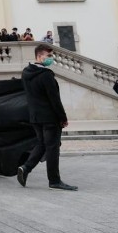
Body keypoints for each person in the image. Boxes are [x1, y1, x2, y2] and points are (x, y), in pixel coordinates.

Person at [17, 44, 77, 191]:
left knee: (42, 144)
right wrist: (63, 118)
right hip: (50, 117)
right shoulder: (46, 75)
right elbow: (54, 99)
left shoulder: (26, 73)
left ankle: (26, 168)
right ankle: (54, 180)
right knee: (52, 148)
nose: (51, 59)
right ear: (39, 56)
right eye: (48, 56)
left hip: (35, 116)